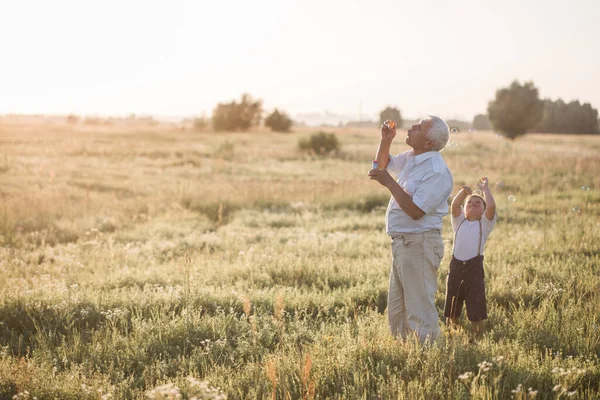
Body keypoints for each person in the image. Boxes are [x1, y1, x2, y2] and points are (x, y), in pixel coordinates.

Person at [368, 115, 453, 343]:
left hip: (420, 243)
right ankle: (406, 357)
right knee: (398, 311)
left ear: (428, 143)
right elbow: (382, 165)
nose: (411, 127)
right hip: (403, 244)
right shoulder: (413, 158)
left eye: (418, 127)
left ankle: (430, 360)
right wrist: (386, 141)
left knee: (419, 310)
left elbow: (416, 212)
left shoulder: (437, 171)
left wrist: (389, 182)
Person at [443, 177, 496, 337]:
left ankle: (477, 334)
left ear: (483, 211)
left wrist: (485, 189)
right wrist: (463, 192)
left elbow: (491, 205)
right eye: (469, 202)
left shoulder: (484, 224)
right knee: (453, 301)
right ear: (464, 210)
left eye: (478, 203)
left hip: (474, 268)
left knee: (476, 303)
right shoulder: (459, 222)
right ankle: (453, 332)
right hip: (456, 266)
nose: (473, 203)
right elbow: (454, 205)